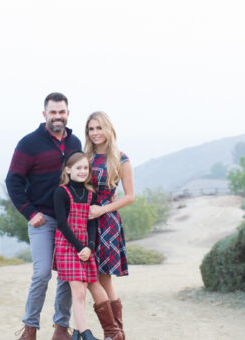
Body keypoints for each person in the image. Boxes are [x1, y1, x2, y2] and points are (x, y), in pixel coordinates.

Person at [7, 92, 81, 340]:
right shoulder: (29, 143)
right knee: (41, 274)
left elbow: (80, 177)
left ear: (68, 114)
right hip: (42, 219)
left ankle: (61, 328)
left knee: (67, 274)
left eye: (62, 112)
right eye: (53, 112)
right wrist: (29, 212)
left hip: (69, 220)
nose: (57, 117)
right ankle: (29, 329)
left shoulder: (75, 143)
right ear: (44, 114)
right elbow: (13, 181)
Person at [52, 152, 123, 340]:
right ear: (68, 170)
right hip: (68, 246)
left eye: (85, 168)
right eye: (78, 168)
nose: (82, 171)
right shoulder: (61, 192)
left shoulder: (91, 194)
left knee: (92, 285)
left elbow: (92, 222)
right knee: (79, 291)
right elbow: (62, 224)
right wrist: (79, 247)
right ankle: (86, 333)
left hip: (86, 247)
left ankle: (81, 332)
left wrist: (90, 246)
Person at [84, 111, 134, 339]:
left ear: (108, 129)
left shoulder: (120, 158)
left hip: (107, 219)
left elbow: (130, 196)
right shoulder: (85, 156)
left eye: (99, 128)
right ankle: (117, 333)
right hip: (86, 219)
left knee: (102, 277)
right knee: (94, 277)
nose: (95, 133)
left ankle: (114, 333)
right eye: (91, 129)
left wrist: (102, 209)